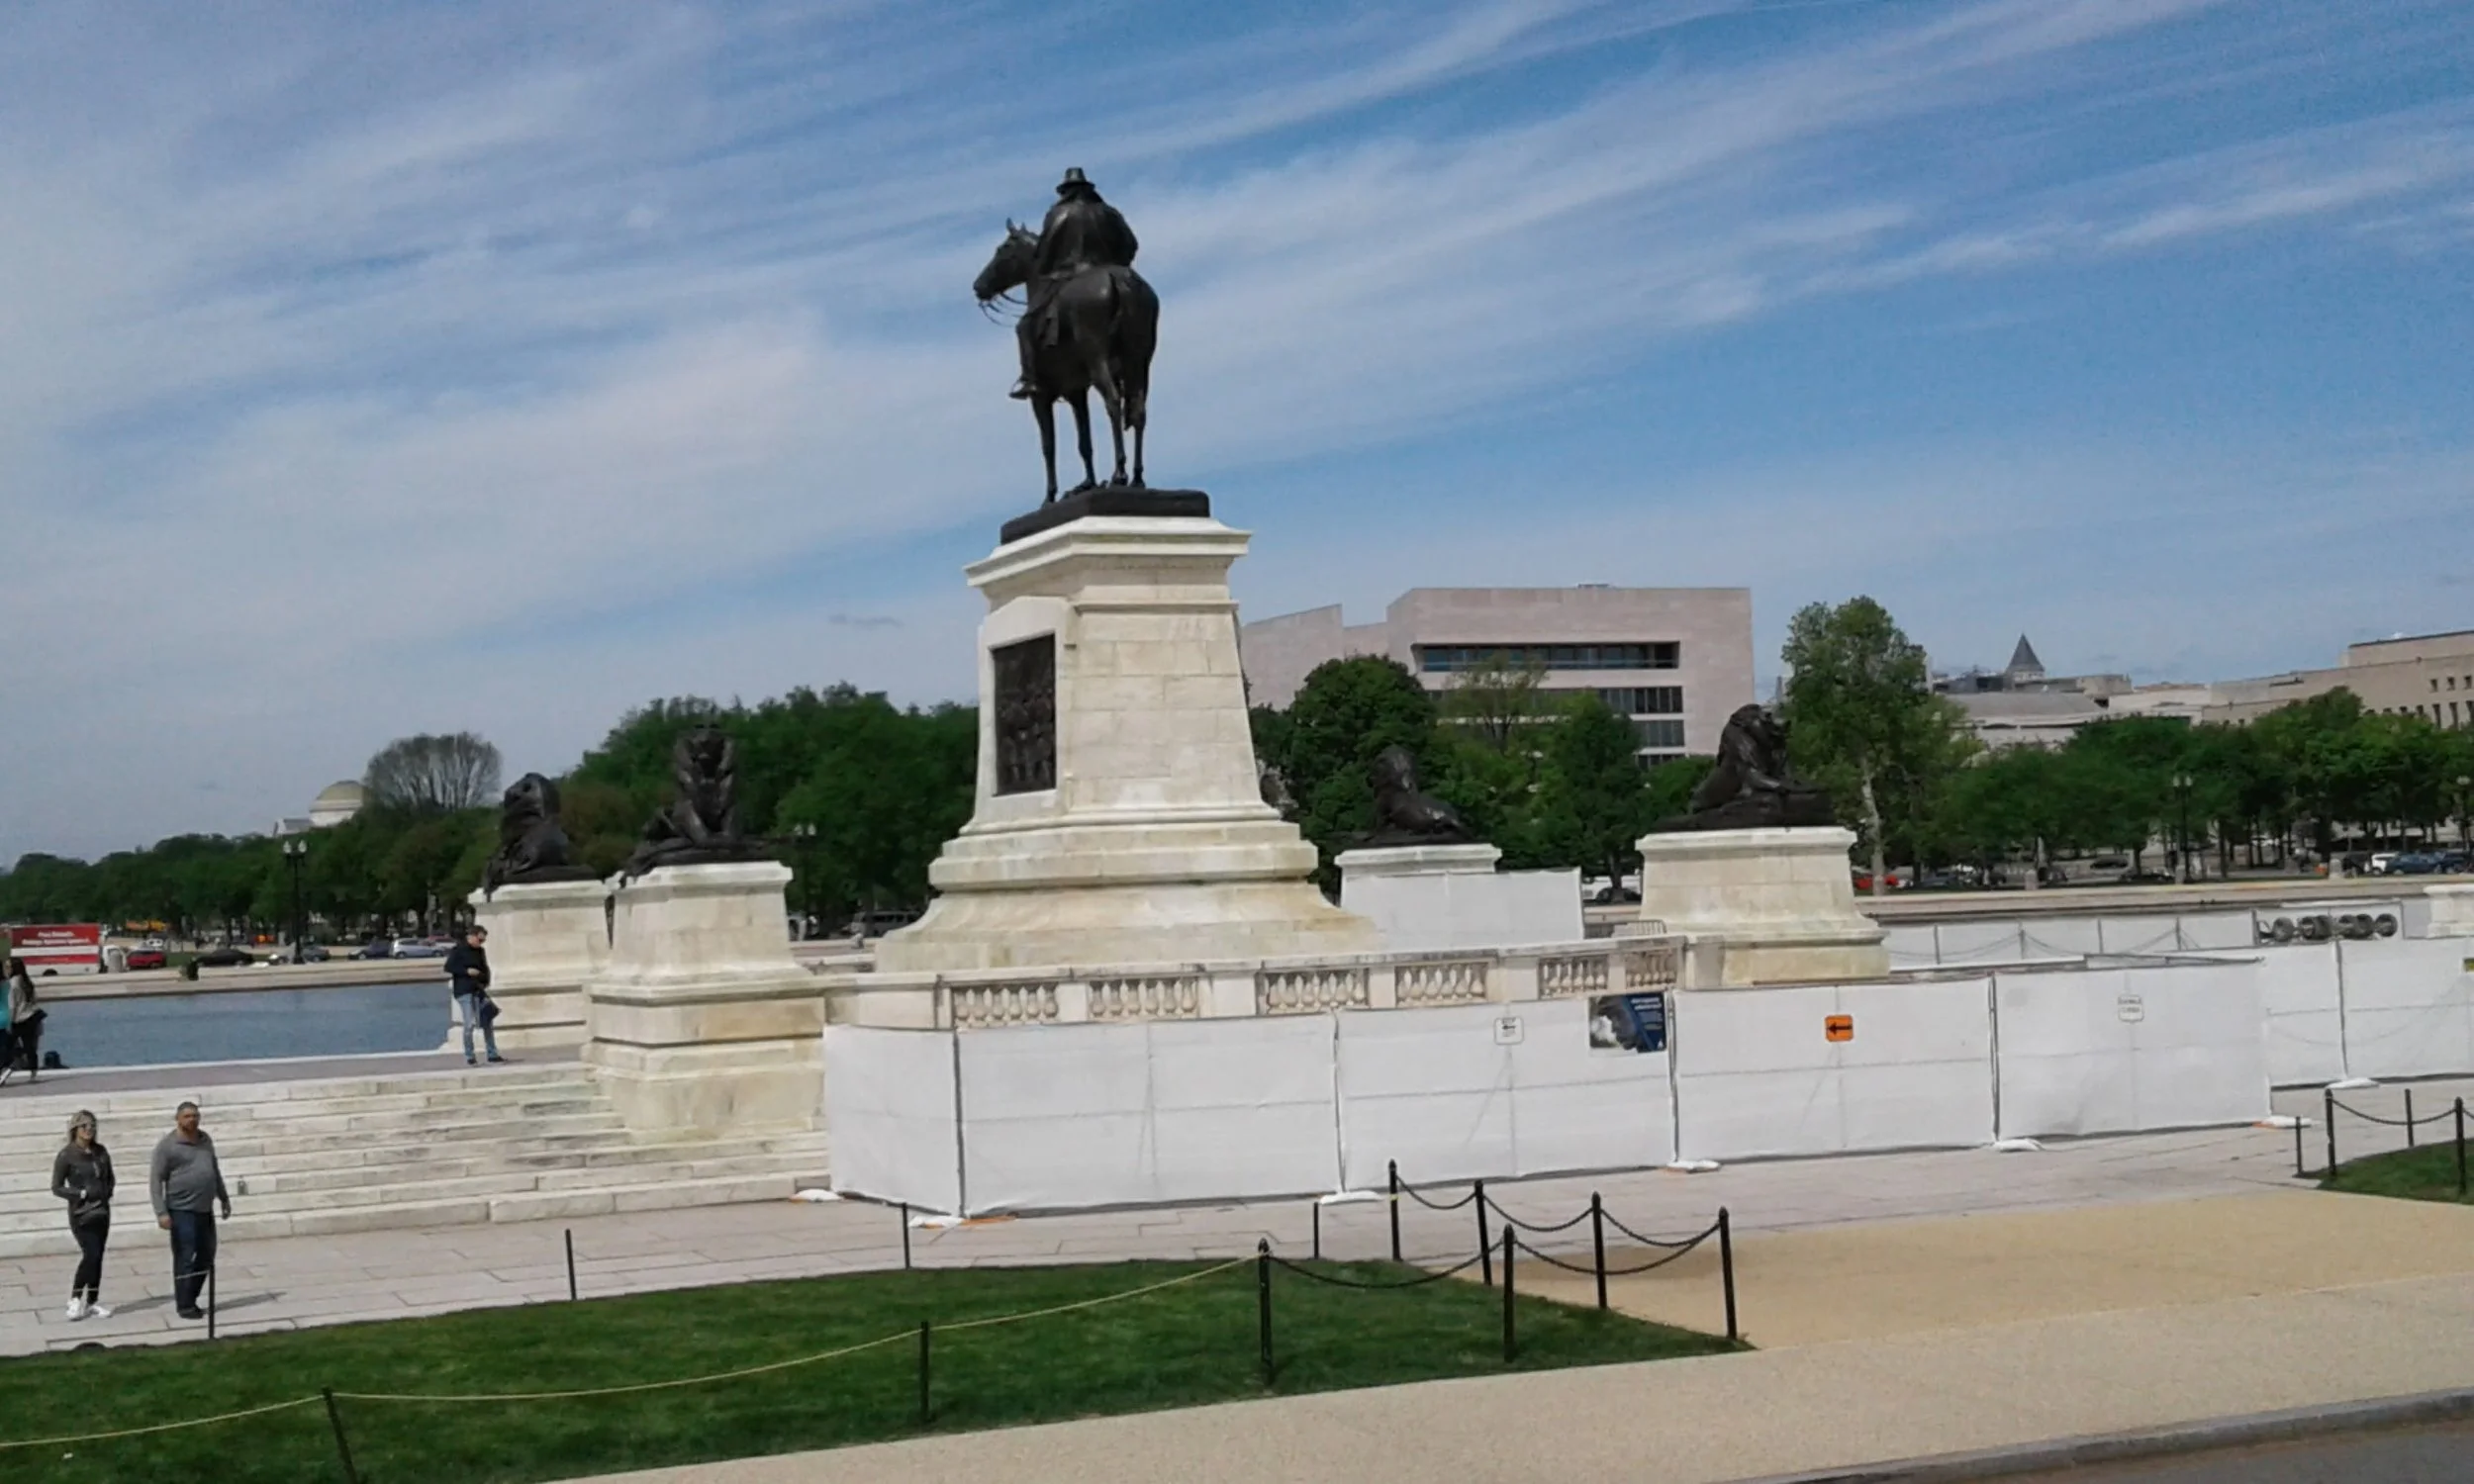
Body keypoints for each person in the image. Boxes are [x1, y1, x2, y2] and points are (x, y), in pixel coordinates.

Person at [1011, 167, 1139, 399]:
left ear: (1065, 192)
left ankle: (1031, 379)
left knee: (1026, 325)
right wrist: (1118, 266)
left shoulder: (1058, 213)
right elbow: (1131, 244)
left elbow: (1046, 251)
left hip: (1070, 275)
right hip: (1115, 269)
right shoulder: (1110, 213)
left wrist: (1047, 270)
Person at [148, 1101, 231, 1321]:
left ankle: (191, 1296)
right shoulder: (167, 1146)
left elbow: (214, 1169)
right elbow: (156, 1180)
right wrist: (161, 1212)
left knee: (206, 1255)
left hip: (205, 1209)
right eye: (187, 1116)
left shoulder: (205, 1141)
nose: (192, 1120)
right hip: (181, 1210)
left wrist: (223, 1196)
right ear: (177, 1119)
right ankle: (184, 1305)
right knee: (185, 1256)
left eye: (195, 1115)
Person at [53, 1110, 115, 1321]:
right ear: (75, 1129)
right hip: (81, 1213)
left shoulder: (100, 1152)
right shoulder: (66, 1155)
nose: (89, 1130)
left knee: (98, 1257)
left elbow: (110, 1178)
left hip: (101, 1211)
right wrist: (80, 1194)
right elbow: (57, 1187)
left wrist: (106, 1193)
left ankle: (93, 1301)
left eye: (92, 1126)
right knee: (91, 1254)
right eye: (84, 1126)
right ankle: (76, 1297)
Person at [443, 925, 502, 1066]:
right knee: (469, 1024)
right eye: (479, 940)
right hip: (464, 991)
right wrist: (466, 971)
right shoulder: (458, 950)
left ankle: (492, 1053)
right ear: (471, 937)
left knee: (487, 1020)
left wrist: (485, 980)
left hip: (478, 990)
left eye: (483, 941)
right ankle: (470, 1055)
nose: (481, 943)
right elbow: (448, 967)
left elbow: (484, 967)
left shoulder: (480, 951)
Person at [1, 958, 40, 1087]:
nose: (6, 969)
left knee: (8, 1046)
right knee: (30, 1047)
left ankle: (7, 1068)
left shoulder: (13, 984)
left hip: (19, 1019)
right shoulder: (26, 981)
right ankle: (33, 1074)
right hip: (31, 1017)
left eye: (8, 967)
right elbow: (34, 1000)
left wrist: (9, 1022)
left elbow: (12, 1005)